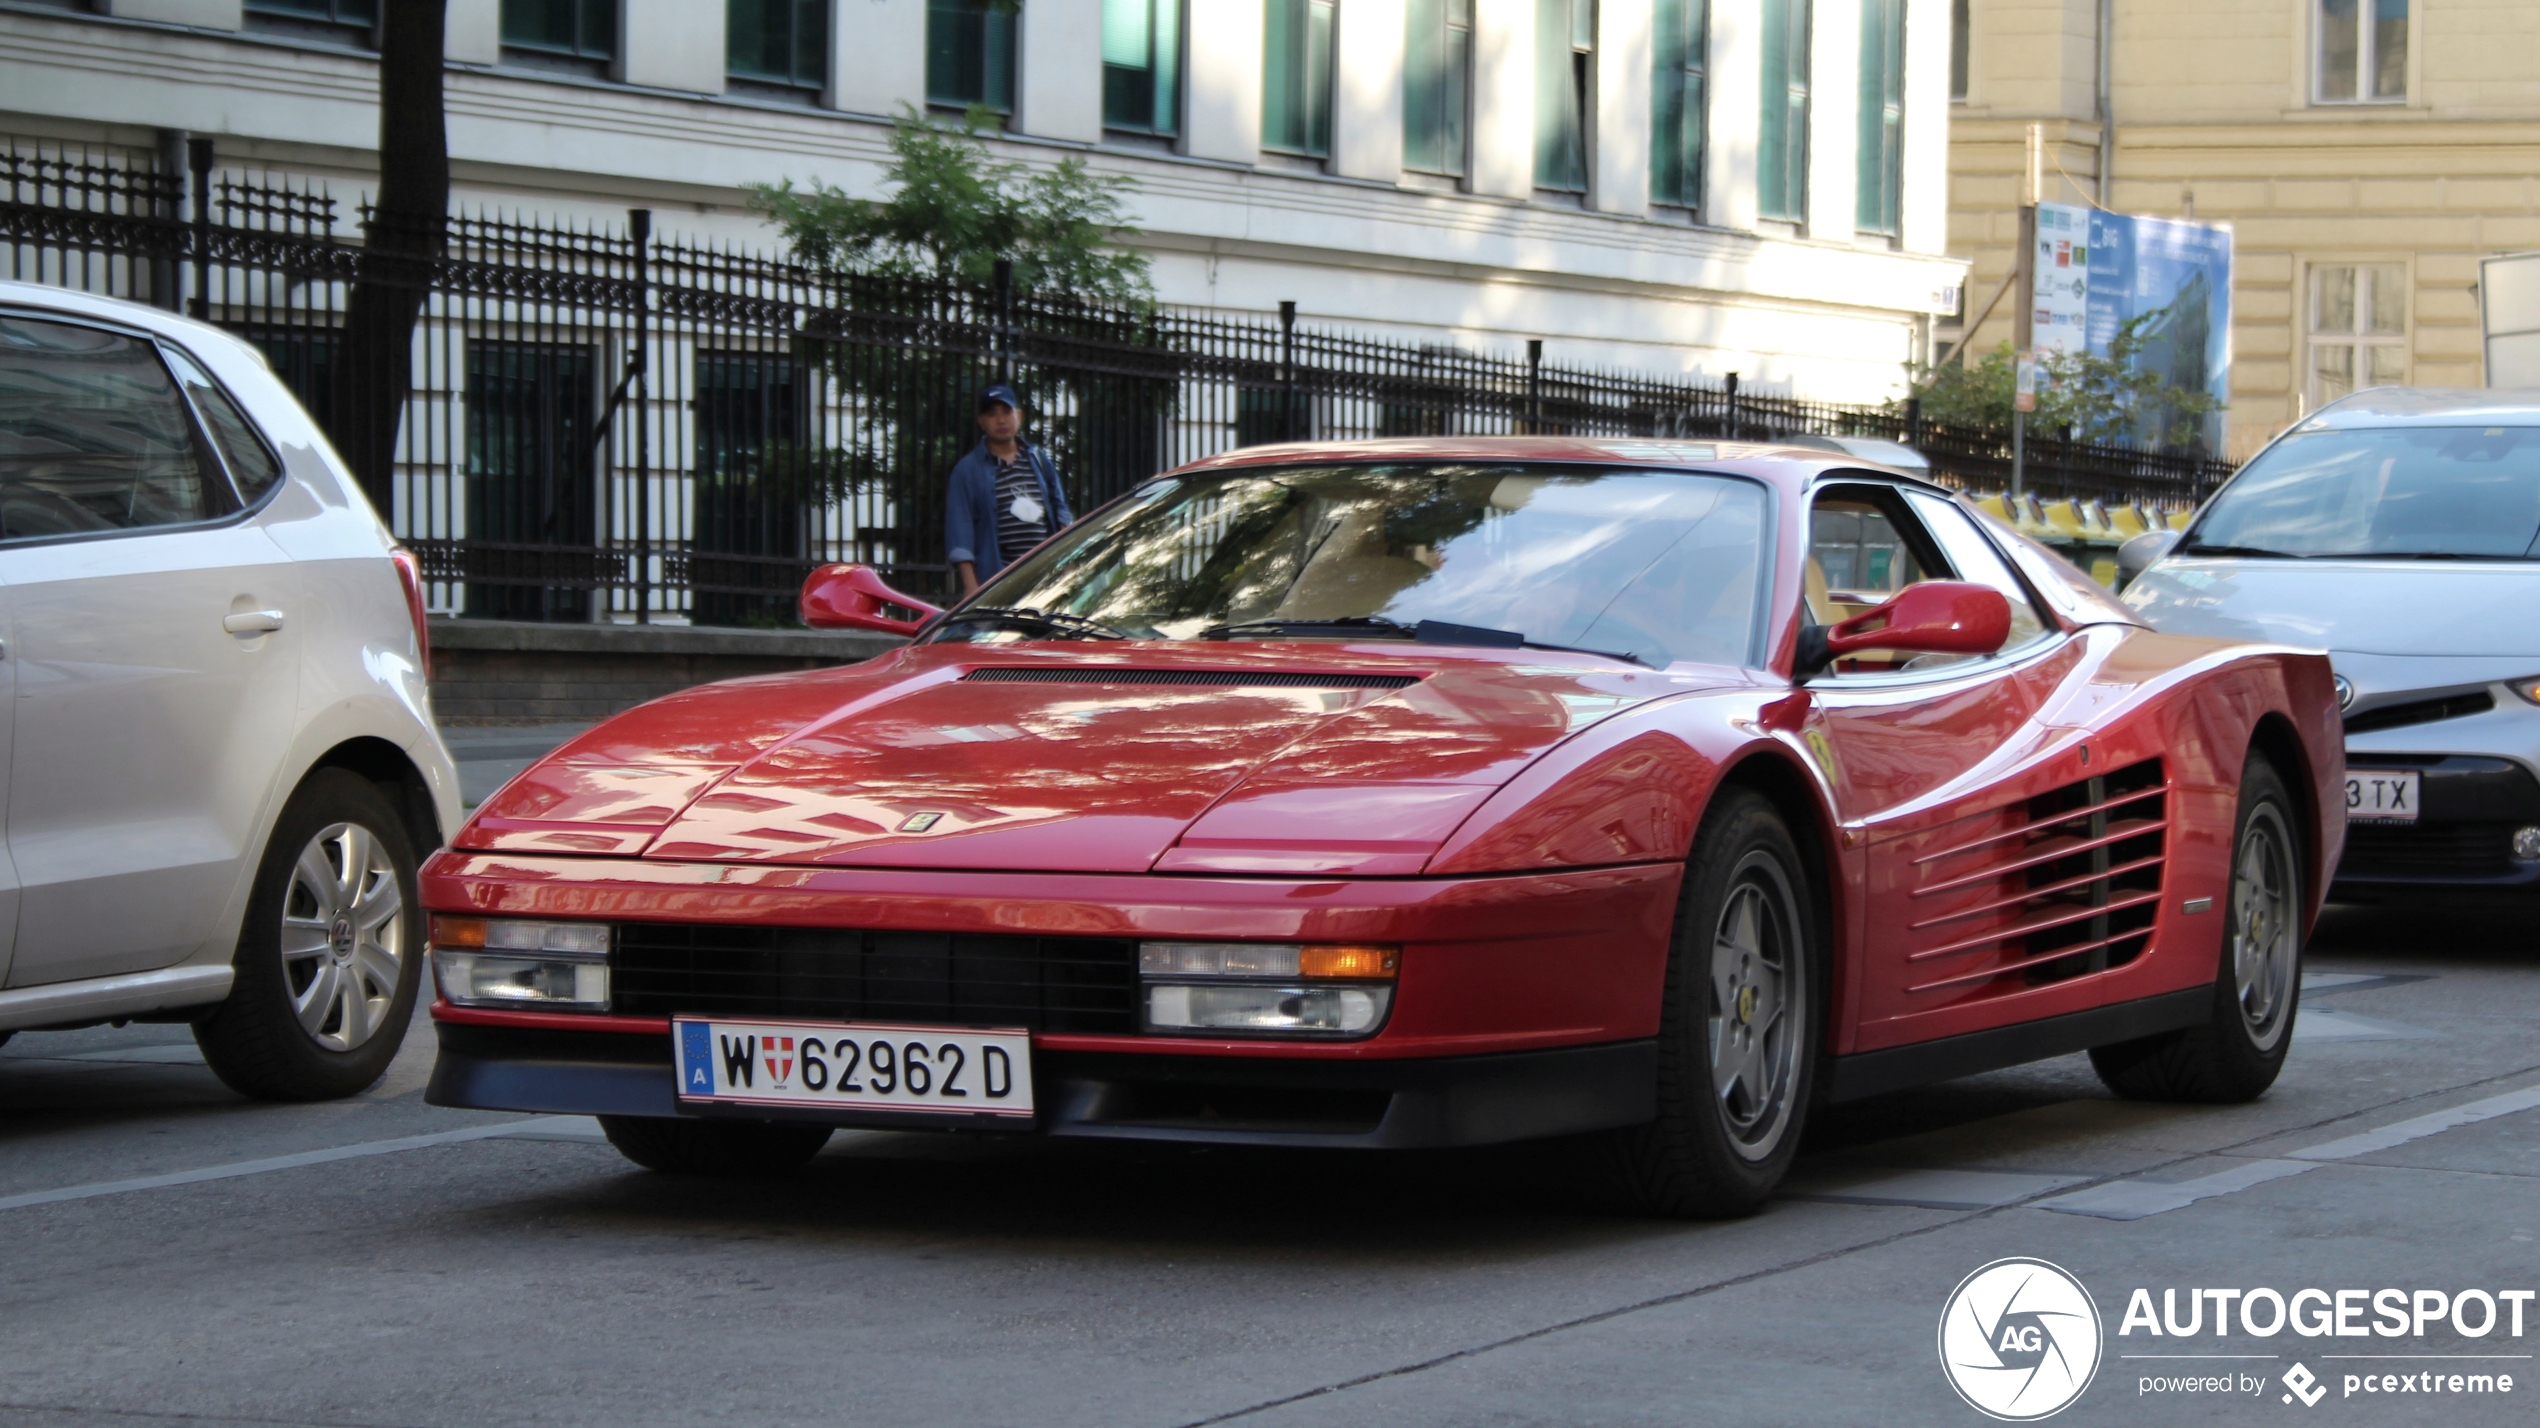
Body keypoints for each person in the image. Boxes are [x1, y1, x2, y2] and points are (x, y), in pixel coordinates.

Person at [944, 384, 1073, 597]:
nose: (1001, 420)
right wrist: (971, 587)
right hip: (998, 583)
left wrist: (1068, 564)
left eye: (1007, 411)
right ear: (982, 422)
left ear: (1019, 415)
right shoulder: (967, 471)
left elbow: (1060, 511)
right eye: (992, 414)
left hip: (1046, 581)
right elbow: (960, 532)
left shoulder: (1038, 460)